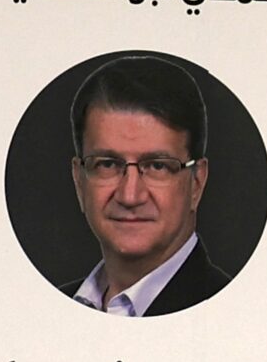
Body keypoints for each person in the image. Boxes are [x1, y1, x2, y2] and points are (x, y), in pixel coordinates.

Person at [63, 55, 232, 315]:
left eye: (158, 166)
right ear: (79, 180)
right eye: (107, 164)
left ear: (196, 182)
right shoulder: (46, 311)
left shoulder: (233, 313)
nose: (130, 196)